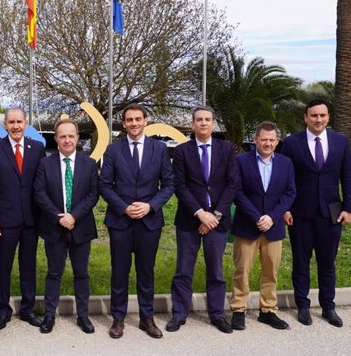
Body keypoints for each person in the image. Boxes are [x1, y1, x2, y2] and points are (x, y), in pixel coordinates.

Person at [99, 104, 174, 339]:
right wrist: (123, 208)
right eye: (129, 120)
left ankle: (146, 318)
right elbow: (104, 185)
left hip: (149, 221)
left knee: (146, 271)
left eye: (138, 119)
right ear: (124, 123)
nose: (133, 123)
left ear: (145, 121)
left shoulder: (159, 149)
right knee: (119, 272)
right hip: (120, 221)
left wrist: (150, 205)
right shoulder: (113, 150)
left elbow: (169, 184)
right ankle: (118, 319)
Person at [281, 99, 351, 328]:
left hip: (332, 213)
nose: (318, 120)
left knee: (327, 263)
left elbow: (348, 177)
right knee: (301, 262)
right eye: (314, 115)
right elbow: (284, 177)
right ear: (305, 117)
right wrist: (284, 208)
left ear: (328, 117)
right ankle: (303, 305)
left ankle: (328, 307)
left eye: (322, 115)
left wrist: (349, 208)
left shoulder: (340, 141)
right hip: (299, 213)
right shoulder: (292, 143)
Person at [167, 106, 240, 334]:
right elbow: (180, 185)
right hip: (190, 220)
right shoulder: (181, 151)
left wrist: (215, 215)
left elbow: (232, 184)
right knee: (183, 269)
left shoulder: (226, 149)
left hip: (217, 221)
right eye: (199, 120)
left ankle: (217, 314)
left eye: (208, 119)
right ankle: (179, 313)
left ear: (214, 123)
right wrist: (200, 213)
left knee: (216, 271)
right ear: (192, 124)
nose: (203, 123)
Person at [34, 119, 99, 335]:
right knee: (54, 273)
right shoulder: (45, 163)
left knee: (82, 274)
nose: (67, 140)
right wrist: (58, 216)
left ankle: (83, 316)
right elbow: (39, 193)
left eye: (71, 135)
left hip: (81, 227)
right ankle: (49, 315)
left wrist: (74, 216)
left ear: (78, 137)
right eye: (62, 136)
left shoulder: (89, 163)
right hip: (54, 227)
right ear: (56, 138)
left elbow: (93, 194)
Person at [230, 121, 296, 331]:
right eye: (264, 139)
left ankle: (267, 310)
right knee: (242, 270)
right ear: (255, 140)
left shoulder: (286, 163)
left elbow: (290, 193)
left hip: (273, 227)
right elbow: (237, 191)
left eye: (272, 140)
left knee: (270, 271)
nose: (267, 143)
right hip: (247, 225)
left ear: (277, 142)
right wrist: (257, 217)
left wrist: (273, 217)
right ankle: (239, 309)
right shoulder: (241, 161)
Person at [0, 107, 46, 330]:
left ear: (26, 123)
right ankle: (3, 310)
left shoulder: (37, 148)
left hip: (31, 220)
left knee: (28, 266)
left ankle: (27, 309)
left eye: (20, 122)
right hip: (4, 221)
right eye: (11, 122)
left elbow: (41, 184)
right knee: (4, 267)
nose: (16, 126)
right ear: (5, 124)